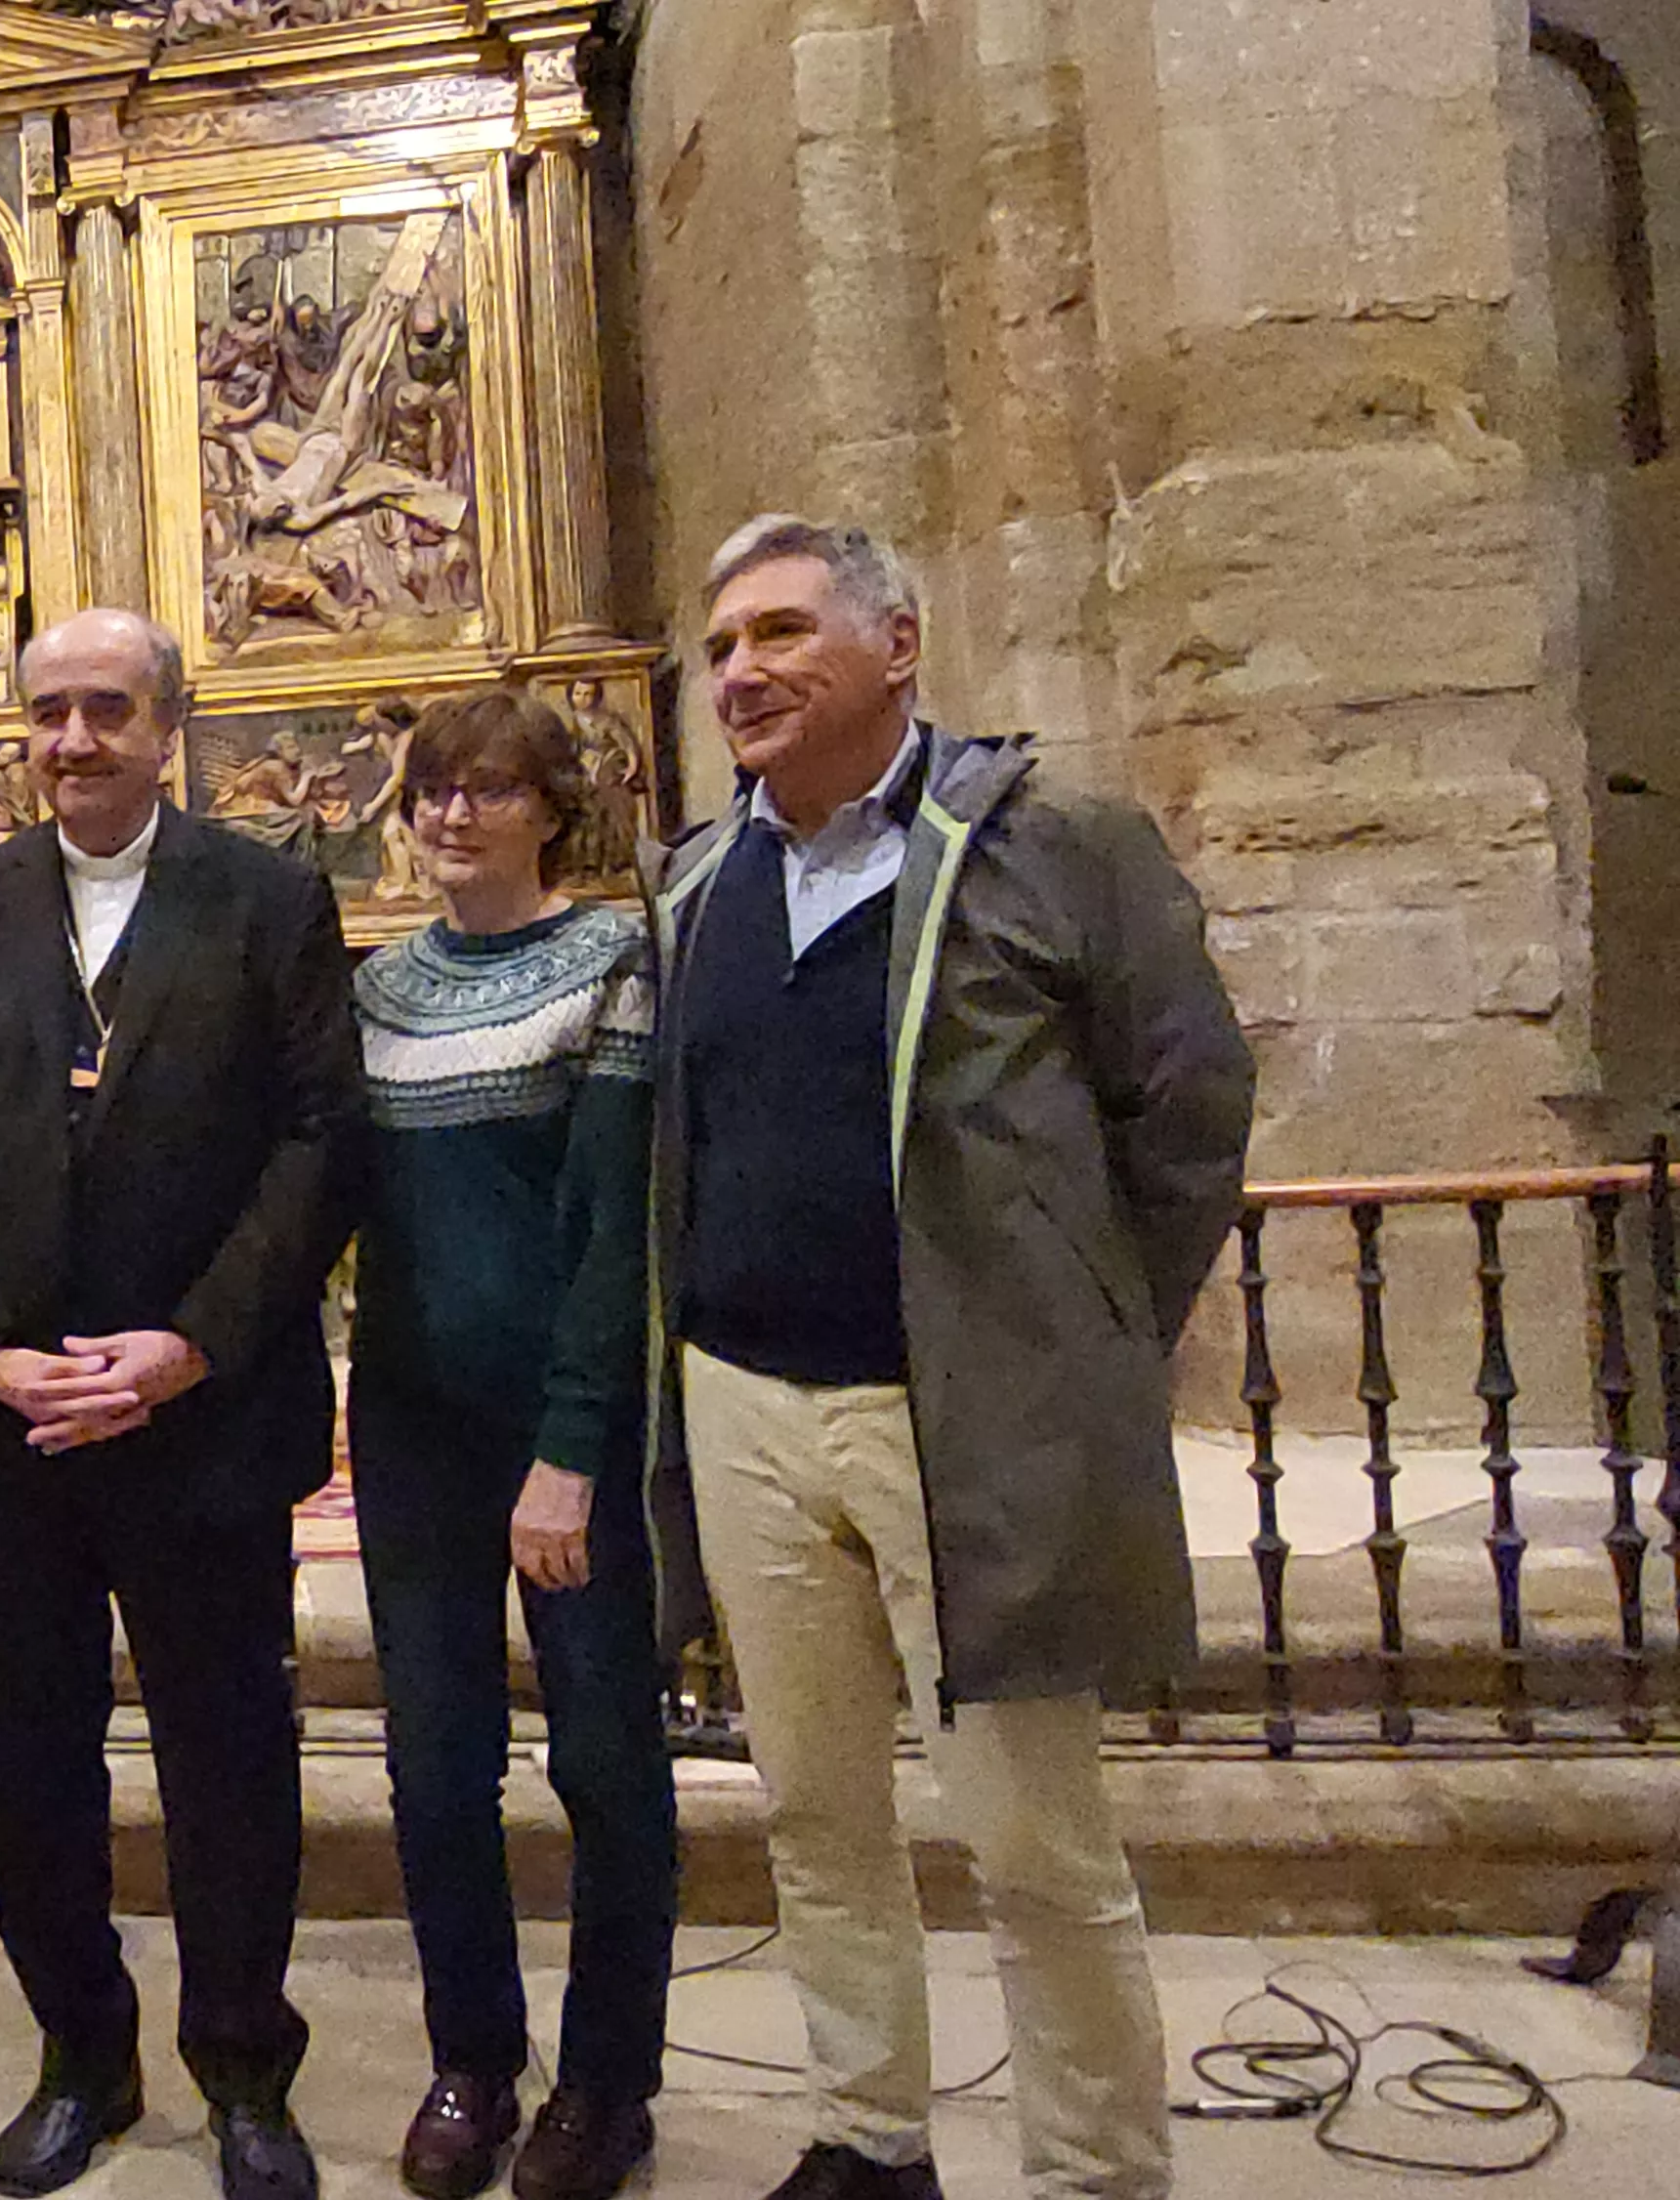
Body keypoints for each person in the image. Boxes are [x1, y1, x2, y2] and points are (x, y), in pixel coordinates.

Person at [653, 518, 1253, 2200]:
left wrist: (1084, 1332)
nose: (741, 675)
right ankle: (868, 2136)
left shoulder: (1052, 845)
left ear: (897, 646)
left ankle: (1093, 2171)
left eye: (780, 634)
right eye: (720, 649)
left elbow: (1189, 1107)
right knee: (819, 1817)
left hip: (964, 1421)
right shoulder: (701, 882)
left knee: (1035, 1842)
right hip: (752, 1402)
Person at [0, 607, 354, 2200]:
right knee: (30, 1756)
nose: (72, 742)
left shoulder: (268, 900)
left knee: (227, 1755)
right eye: (48, 715)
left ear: (170, 728)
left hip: (197, 1416)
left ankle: (241, 2067)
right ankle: (80, 2052)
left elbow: (316, 1143)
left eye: (105, 713)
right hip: (12, 1424)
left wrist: (189, 1345)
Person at [345, 690, 673, 2200]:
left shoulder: (609, 961)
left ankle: (609, 2084)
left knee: (604, 1762)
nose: (451, 818)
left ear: (551, 808)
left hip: (561, 1434)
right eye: (429, 795)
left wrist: (572, 1446)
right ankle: (473, 2060)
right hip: (412, 1431)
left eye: (484, 791)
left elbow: (610, 1236)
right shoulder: (379, 988)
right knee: (434, 1767)